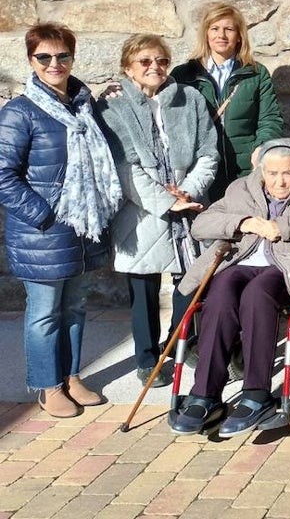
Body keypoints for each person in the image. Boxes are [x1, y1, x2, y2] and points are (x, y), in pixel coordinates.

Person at [170, 139, 290, 437]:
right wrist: (244, 222)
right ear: (261, 172)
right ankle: (205, 394)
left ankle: (257, 394)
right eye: (272, 174)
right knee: (220, 292)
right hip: (240, 261)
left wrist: (284, 227)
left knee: (257, 294)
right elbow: (201, 225)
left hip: (286, 266)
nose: (280, 182)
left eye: (288, 174)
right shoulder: (241, 188)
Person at [0, 23, 121, 417]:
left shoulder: (84, 107)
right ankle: (47, 386)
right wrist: (45, 214)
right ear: (31, 60)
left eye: (62, 56)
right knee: (45, 311)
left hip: (81, 228)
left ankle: (70, 377)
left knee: (74, 307)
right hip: (44, 230)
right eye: (44, 57)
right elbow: (3, 174)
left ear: (72, 57)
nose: (55, 64)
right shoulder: (20, 112)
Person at [97, 34, 219, 387]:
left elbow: (208, 152)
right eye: (145, 61)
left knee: (189, 282)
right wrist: (168, 201)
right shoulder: (113, 106)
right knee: (143, 289)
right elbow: (124, 167)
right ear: (128, 67)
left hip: (189, 203)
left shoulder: (190, 99)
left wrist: (189, 191)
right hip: (141, 210)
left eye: (162, 61)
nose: (155, 68)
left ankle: (176, 347)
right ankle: (147, 358)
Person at [171, 1, 284, 200]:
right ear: (206, 34)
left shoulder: (256, 74)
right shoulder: (184, 75)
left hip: (244, 171)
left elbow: (270, 118)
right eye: (214, 28)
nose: (221, 35)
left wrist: (261, 148)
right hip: (200, 170)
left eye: (229, 29)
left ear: (239, 36)